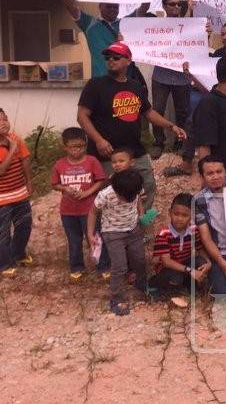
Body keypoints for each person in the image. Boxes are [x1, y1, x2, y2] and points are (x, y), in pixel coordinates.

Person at [77, 42, 187, 210]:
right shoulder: (96, 85)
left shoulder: (136, 86)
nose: (111, 60)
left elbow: (149, 113)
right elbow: (82, 116)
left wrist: (171, 126)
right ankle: (106, 232)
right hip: (106, 153)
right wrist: (99, 140)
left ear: (128, 60)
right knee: (107, 194)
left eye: (116, 57)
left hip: (134, 150)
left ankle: (141, 227)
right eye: (108, 57)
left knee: (148, 185)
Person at [59, 0, 148, 78]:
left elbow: (144, 8)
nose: (112, 9)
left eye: (115, 7)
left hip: (124, 81)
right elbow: (69, 4)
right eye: (108, 6)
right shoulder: (88, 23)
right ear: (100, 6)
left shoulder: (125, 23)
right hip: (100, 81)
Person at [87, 169, 147, 316]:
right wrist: (90, 235)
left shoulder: (135, 188)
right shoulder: (105, 195)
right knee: (120, 266)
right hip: (112, 232)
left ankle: (142, 284)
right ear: (116, 190)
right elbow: (93, 212)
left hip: (133, 229)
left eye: (130, 197)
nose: (127, 200)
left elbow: (138, 199)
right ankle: (116, 298)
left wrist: (141, 212)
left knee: (140, 259)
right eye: (124, 197)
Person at [50, 127, 106, 279]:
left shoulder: (92, 161)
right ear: (65, 147)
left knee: (95, 238)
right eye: (72, 147)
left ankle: (103, 265)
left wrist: (88, 192)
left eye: (80, 146)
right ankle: (76, 267)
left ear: (85, 145)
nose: (76, 150)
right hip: (68, 211)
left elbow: (100, 180)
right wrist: (64, 189)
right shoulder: (59, 165)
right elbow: (54, 184)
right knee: (74, 240)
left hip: (89, 210)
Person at [150, 0, 192, 160]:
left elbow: (195, 39)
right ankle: (158, 143)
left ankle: (180, 143)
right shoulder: (157, 25)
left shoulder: (189, 25)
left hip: (182, 76)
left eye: (178, 4)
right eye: (172, 4)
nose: (176, 7)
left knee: (183, 112)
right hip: (161, 75)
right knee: (157, 110)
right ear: (164, 7)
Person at [194, 155, 226, 295]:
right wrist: (222, 263)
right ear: (202, 176)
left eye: (219, 172)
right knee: (223, 293)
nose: (215, 176)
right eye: (210, 173)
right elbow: (206, 238)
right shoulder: (198, 201)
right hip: (221, 254)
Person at [150, 193, 211, 296]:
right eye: (176, 214)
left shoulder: (193, 230)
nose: (179, 218)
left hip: (185, 266)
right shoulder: (164, 234)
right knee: (175, 279)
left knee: (201, 262)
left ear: (191, 216)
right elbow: (166, 262)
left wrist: (208, 263)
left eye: (185, 215)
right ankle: (156, 286)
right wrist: (190, 270)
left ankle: (190, 286)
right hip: (168, 269)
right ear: (170, 212)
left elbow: (200, 249)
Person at [0, 109, 33, 277]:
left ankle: (18, 254)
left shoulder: (15, 139)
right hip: (2, 199)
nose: (4, 123)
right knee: (3, 233)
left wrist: (29, 182)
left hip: (20, 192)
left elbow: (25, 160)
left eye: (5, 119)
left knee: (24, 226)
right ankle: (4, 265)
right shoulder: (12, 144)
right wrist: (11, 149)